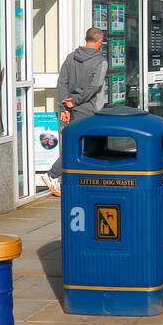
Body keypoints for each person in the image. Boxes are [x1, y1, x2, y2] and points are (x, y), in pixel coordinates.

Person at [41, 27, 108, 197]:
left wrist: (65, 107)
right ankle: (52, 174)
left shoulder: (71, 57)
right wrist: (75, 101)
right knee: (84, 147)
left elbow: (62, 83)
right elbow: (95, 86)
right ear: (99, 42)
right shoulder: (101, 61)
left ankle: (83, 181)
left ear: (86, 39)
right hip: (90, 109)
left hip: (73, 109)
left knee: (82, 145)